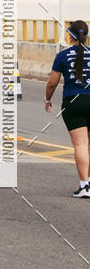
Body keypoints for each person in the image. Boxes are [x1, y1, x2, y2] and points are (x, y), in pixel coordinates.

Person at [45, 20, 90, 196]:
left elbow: (52, 83)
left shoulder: (62, 56)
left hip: (73, 101)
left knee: (80, 144)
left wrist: (47, 99)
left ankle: (84, 185)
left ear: (70, 36)